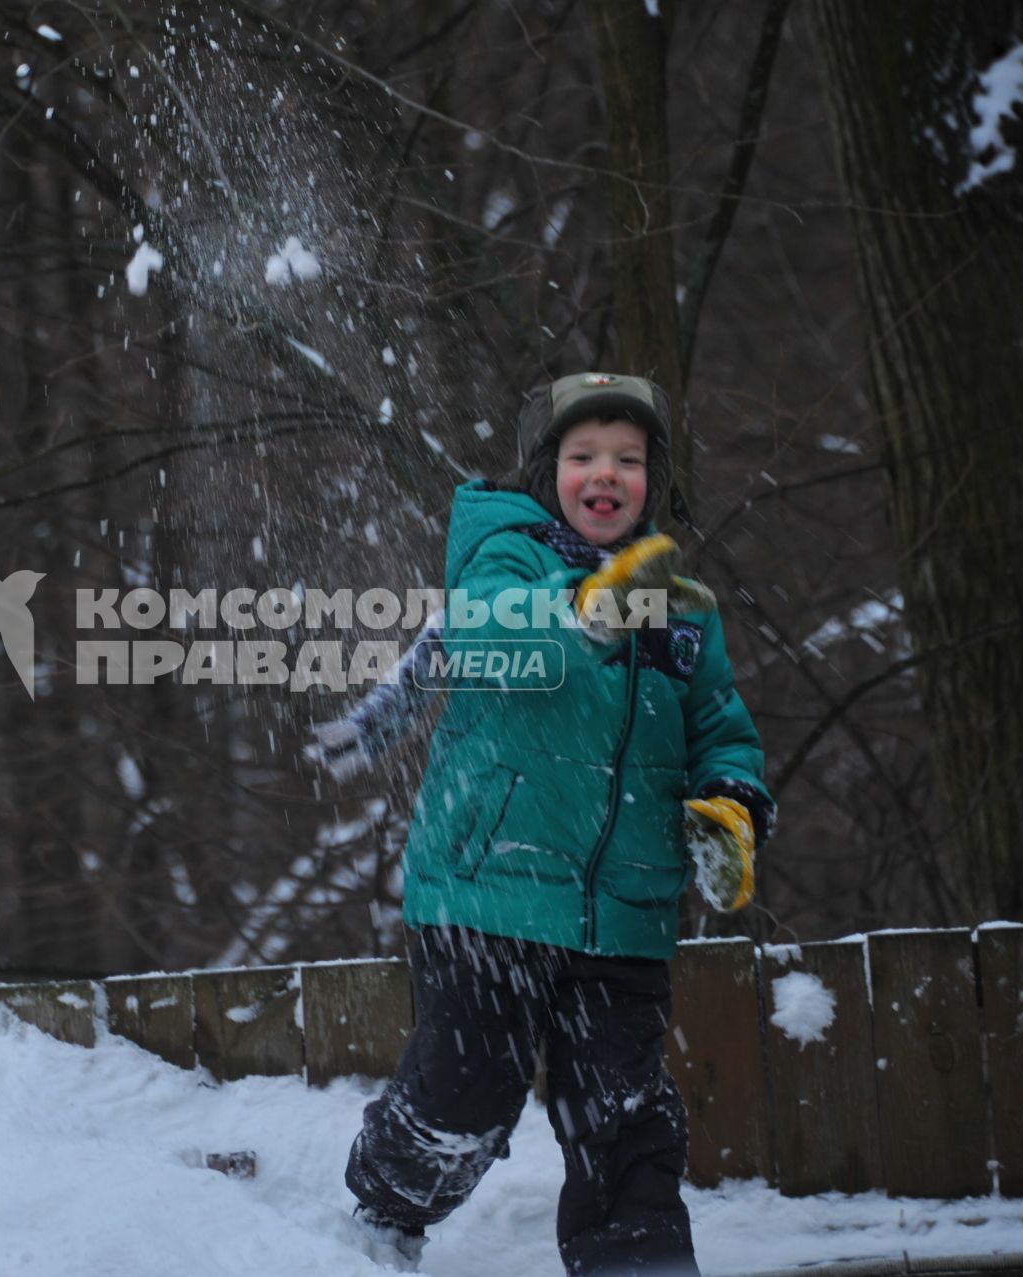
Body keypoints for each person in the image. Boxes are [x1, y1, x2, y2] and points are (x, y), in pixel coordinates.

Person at [329, 374, 774, 1275]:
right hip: (489, 884)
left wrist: (730, 803)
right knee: (469, 1093)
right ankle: (383, 1209)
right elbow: (493, 638)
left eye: (629, 459)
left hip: (627, 905)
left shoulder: (682, 604)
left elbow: (721, 726)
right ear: (545, 471)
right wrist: (587, 614)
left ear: (654, 479)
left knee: (625, 1115)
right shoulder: (504, 555)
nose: (605, 473)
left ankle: (637, 1263)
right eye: (583, 457)